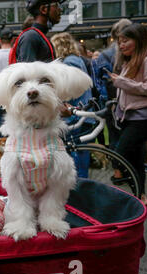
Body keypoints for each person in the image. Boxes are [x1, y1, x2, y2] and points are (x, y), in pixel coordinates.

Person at [109, 23, 147, 208]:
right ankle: (141, 198)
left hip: (142, 119)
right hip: (128, 118)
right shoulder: (128, 62)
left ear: (139, 41)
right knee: (135, 159)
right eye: (119, 41)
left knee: (120, 155)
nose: (121, 45)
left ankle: (128, 196)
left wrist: (122, 82)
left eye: (126, 40)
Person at [51, 32, 93, 179]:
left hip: (75, 114)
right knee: (81, 153)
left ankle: (79, 190)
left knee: (76, 156)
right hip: (83, 112)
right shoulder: (77, 59)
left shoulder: (69, 62)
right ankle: (82, 188)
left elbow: (68, 90)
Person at [93, 19, 132, 151]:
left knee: (115, 135)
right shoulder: (134, 53)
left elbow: (97, 81)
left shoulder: (105, 55)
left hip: (111, 100)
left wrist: (104, 98)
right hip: (130, 99)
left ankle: (118, 166)